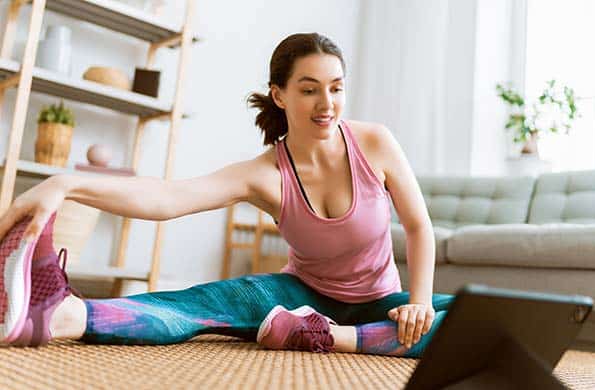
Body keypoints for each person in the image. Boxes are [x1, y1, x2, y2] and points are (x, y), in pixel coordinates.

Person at [0, 32, 453, 356]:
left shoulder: (375, 144)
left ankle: (325, 337)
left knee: (470, 316)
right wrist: (67, 185)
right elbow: (168, 197)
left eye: (336, 89)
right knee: (201, 304)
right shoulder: (265, 174)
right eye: (309, 89)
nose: (326, 104)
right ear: (279, 95)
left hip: (381, 301)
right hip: (300, 296)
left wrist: (418, 302)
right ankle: (63, 316)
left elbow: (418, 226)